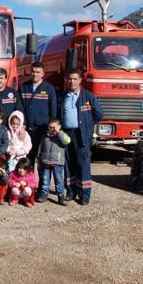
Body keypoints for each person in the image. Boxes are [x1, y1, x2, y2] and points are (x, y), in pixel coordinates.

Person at [58, 69, 103, 205]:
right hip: (67, 134)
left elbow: (98, 114)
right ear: (66, 80)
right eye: (69, 79)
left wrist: (88, 128)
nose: (72, 81)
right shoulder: (62, 97)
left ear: (80, 80)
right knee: (68, 163)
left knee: (83, 164)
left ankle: (84, 195)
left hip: (81, 135)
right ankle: (71, 191)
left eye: (75, 79)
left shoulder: (88, 97)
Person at [19, 61, 58, 158]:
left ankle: (41, 173)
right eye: (33, 71)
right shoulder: (23, 87)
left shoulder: (49, 88)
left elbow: (53, 108)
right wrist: (22, 125)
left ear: (42, 74)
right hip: (27, 128)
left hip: (43, 129)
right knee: (28, 156)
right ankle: (29, 173)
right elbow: (19, 108)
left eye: (37, 72)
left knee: (43, 157)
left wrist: (52, 127)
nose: (34, 74)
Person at [36, 118, 71, 206]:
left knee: (59, 180)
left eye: (54, 127)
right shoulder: (45, 136)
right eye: (50, 127)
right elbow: (40, 148)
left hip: (57, 162)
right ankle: (44, 194)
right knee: (45, 179)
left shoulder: (62, 136)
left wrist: (59, 133)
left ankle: (61, 196)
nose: (52, 129)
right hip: (46, 162)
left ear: (59, 127)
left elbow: (67, 141)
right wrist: (39, 160)